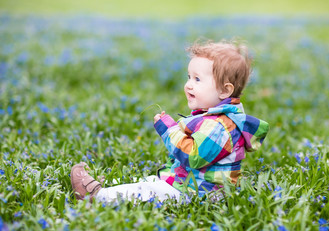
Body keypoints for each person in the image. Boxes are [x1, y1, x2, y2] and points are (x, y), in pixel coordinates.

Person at [71, 39, 269, 204]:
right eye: (189, 77)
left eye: (198, 79)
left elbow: (193, 156)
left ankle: (97, 196)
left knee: (148, 190)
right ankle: (110, 185)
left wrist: (169, 130)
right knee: (150, 181)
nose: (189, 84)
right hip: (189, 184)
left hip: (201, 193)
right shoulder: (212, 117)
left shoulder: (221, 127)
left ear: (225, 91)